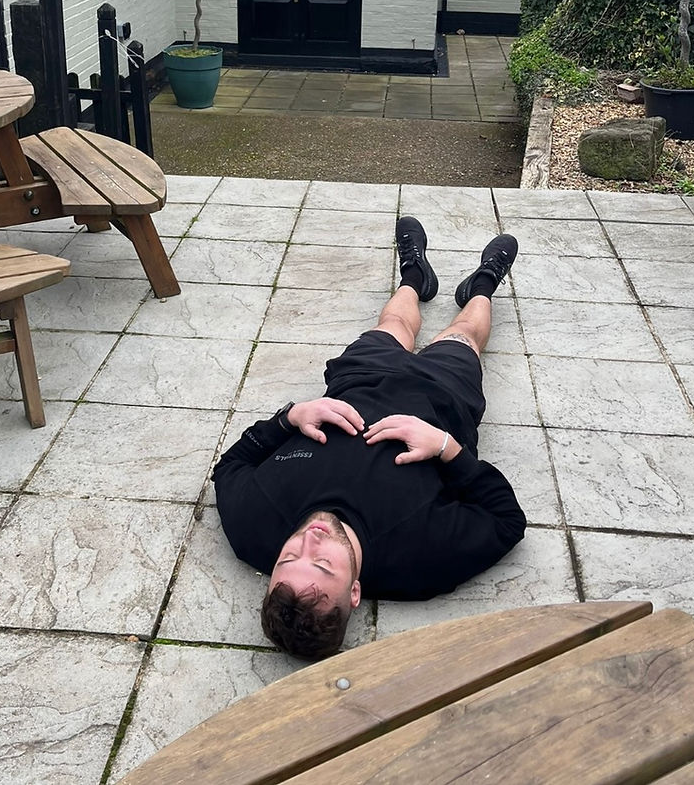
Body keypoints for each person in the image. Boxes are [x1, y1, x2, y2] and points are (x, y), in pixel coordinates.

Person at [212, 215, 527, 661]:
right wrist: (445, 447)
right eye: (323, 564)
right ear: (355, 591)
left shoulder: (252, 529)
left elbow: (230, 466)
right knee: (463, 335)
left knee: (394, 320)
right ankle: (483, 284)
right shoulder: (419, 561)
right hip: (442, 398)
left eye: (288, 559)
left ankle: (414, 276)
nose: (309, 541)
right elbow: (507, 522)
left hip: (359, 380)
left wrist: (290, 418)